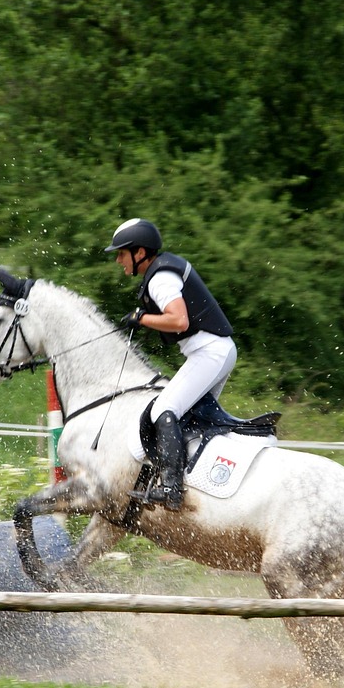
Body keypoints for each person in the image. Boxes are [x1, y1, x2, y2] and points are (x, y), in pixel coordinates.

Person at [105, 218, 237, 510]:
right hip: (213, 350)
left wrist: (141, 319)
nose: (118, 260)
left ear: (140, 252)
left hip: (209, 352)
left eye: (121, 253)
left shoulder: (159, 277)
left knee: (165, 410)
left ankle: (171, 489)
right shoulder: (162, 269)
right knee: (190, 418)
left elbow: (179, 320)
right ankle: (198, 485)